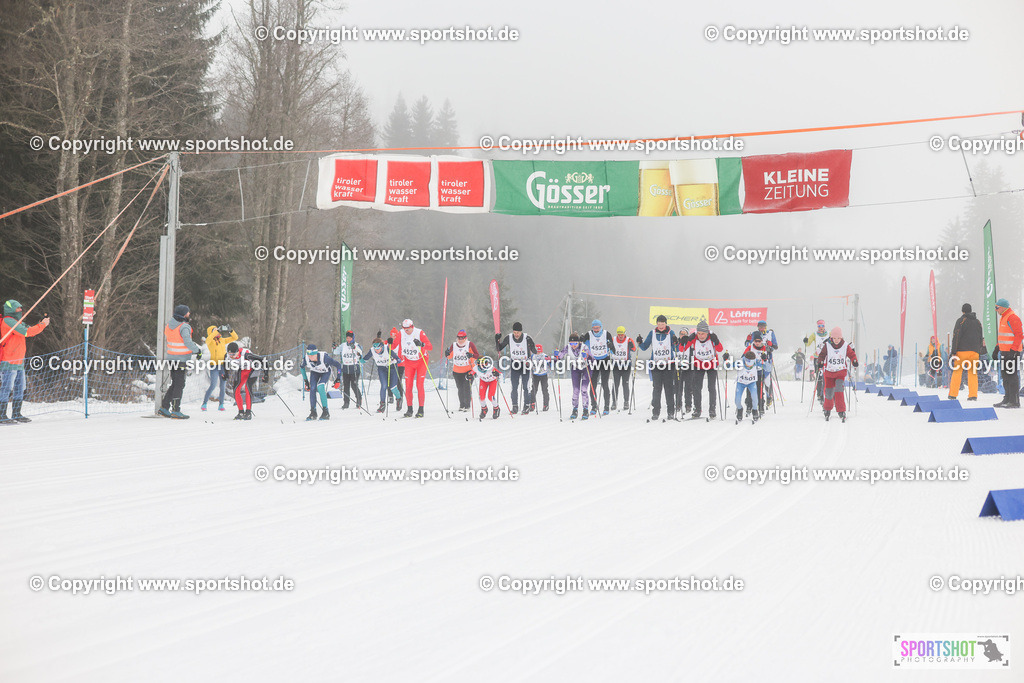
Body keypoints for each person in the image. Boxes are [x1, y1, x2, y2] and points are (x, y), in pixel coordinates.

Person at [0, 300, 49, 424]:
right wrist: (42, 325)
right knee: (6, 388)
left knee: (20, 388)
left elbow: (30, 329)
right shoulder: (8, 321)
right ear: (11, 310)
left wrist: (39, 324)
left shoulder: (17, 322)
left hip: (19, 360)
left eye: (21, 307)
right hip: (9, 360)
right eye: (17, 308)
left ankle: (16, 413)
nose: (20, 310)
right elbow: (27, 332)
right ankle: (1, 415)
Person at [159, 304, 200, 419]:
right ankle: (176, 410)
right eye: (187, 312)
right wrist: (197, 350)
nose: (189, 314)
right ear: (183, 314)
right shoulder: (184, 327)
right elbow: (187, 342)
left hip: (171, 358)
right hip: (181, 359)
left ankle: (164, 407)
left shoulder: (169, 326)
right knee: (179, 384)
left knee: (175, 383)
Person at [636, 315, 677, 421]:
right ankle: (656, 412)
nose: (661, 326)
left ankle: (671, 412)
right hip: (656, 365)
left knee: (669, 389)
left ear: (666, 324)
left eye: (662, 324)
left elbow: (676, 348)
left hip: (669, 365)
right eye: (659, 324)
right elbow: (645, 347)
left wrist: (676, 342)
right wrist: (640, 342)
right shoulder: (652, 333)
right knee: (657, 389)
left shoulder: (671, 333)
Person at [680, 319, 724, 419]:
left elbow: (720, 349)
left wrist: (716, 340)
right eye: (699, 333)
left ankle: (712, 409)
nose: (701, 336)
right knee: (696, 388)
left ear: (707, 333)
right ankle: (697, 409)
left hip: (711, 365)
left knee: (711, 388)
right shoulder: (694, 337)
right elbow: (682, 349)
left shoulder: (712, 337)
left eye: (703, 334)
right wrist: (683, 341)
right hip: (698, 364)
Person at [816, 326, 858, 421]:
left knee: (839, 390)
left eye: (838, 338)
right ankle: (827, 409)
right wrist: (820, 362)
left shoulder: (845, 345)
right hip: (829, 373)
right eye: (834, 338)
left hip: (840, 372)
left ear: (841, 338)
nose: (836, 340)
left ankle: (841, 410)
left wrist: (854, 360)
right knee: (829, 392)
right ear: (831, 338)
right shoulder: (827, 345)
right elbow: (822, 355)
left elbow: (851, 354)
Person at [496, 321, 537, 414]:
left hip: (525, 364)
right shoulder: (509, 337)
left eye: (518, 332)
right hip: (515, 364)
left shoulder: (527, 338)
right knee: (514, 387)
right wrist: (496, 340)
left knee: (525, 387)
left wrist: (531, 346)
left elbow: (534, 350)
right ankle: (515, 406)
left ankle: (526, 406)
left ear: (521, 332)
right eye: (514, 332)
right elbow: (499, 348)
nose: (516, 334)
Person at [394, 319, 432, 418]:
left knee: (419, 385)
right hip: (409, 362)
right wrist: (389, 342)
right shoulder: (401, 333)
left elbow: (430, 346)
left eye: (408, 329)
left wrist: (422, 344)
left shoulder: (419, 332)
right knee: (408, 386)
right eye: (405, 329)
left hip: (421, 361)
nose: (407, 331)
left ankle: (421, 409)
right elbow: (394, 345)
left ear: (412, 326)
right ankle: (409, 409)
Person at [948, 303, 986, 401]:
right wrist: (979, 350)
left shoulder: (961, 321)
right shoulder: (978, 322)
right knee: (972, 373)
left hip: (962, 351)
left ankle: (953, 394)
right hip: (974, 352)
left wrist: (953, 351)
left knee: (957, 372)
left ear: (963, 311)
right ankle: (973, 395)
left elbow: (956, 336)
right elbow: (980, 337)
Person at [555, 332, 591, 420]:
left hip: (586, 368)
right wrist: (557, 356)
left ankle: (585, 409)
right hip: (575, 368)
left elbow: (591, 357)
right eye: (571, 343)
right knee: (576, 390)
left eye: (575, 343)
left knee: (584, 389)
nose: (573, 345)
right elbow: (561, 354)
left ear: (578, 342)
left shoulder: (584, 347)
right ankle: (575, 409)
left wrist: (586, 356)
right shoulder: (568, 347)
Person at [581, 319, 614, 416]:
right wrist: (581, 339)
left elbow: (613, 350)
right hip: (593, 361)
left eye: (597, 328)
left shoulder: (607, 334)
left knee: (604, 384)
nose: (596, 330)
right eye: (594, 328)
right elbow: (581, 345)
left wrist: (611, 346)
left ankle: (606, 406)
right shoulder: (588, 334)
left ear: (601, 327)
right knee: (592, 384)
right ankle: (594, 406)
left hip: (605, 360)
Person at [225, 341, 265, 420]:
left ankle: (248, 412)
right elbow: (225, 365)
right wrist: (225, 374)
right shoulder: (227, 356)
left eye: (233, 354)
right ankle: (241, 412)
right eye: (230, 354)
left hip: (253, 369)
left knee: (247, 387)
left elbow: (262, 360)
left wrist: (266, 375)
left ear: (237, 351)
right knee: (236, 389)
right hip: (243, 369)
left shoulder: (246, 354)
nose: (231, 356)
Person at [994, 298, 1022, 408]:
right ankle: (1007, 398)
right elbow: (1003, 336)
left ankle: (1014, 401)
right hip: (1004, 352)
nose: (996, 310)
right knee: (1005, 376)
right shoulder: (1004, 317)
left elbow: (1019, 335)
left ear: (1003, 307)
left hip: (1012, 353)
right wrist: (997, 348)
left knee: (1012, 377)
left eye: (997, 307)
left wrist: (1014, 350)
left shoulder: (1012, 317)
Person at [300, 344, 341, 420]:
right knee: (312, 388)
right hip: (314, 372)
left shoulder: (324, 358)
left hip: (325, 372)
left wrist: (338, 379)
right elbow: (302, 368)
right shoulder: (306, 358)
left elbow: (338, 365)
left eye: (312, 355)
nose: (310, 357)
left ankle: (326, 412)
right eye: (309, 355)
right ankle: (313, 412)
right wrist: (306, 381)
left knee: (320, 387)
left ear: (316, 353)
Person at [202, 324, 237, 411]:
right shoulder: (210, 341)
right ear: (211, 332)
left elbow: (235, 338)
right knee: (213, 385)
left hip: (223, 366)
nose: (217, 331)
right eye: (214, 330)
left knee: (223, 386)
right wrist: (216, 331)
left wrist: (231, 330)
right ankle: (204, 403)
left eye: (217, 329)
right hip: (214, 365)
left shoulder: (222, 340)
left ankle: (221, 404)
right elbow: (208, 339)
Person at [364, 336, 403, 413]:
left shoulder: (387, 349)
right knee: (384, 386)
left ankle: (399, 399)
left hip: (392, 368)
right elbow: (365, 359)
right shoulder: (372, 350)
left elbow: (398, 358)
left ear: (382, 347)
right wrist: (360, 360)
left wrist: (396, 360)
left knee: (392, 387)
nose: (376, 350)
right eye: (375, 348)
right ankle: (382, 404)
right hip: (382, 369)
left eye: (378, 348)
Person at [445, 329, 480, 412]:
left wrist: (471, 355)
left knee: (467, 387)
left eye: (462, 338)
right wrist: (446, 353)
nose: (460, 340)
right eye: (459, 338)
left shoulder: (470, 344)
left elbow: (477, 355)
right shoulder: (454, 345)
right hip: (457, 371)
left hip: (469, 370)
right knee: (460, 388)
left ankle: (467, 405)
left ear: (465, 338)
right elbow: (449, 356)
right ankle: (462, 405)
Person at [610, 326, 636, 411]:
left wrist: (631, 346)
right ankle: (614, 402)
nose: (620, 336)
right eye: (619, 334)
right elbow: (608, 349)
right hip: (616, 365)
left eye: (622, 334)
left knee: (625, 384)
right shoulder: (613, 339)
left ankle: (626, 402)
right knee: (615, 384)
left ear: (625, 333)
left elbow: (634, 349)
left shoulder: (629, 340)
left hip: (626, 365)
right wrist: (609, 346)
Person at [335, 330, 363, 410]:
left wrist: (354, 348)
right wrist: (334, 347)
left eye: (350, 338)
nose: (348, 339)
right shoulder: (343, 345)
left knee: (354, 385)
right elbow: (336, 351)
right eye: (347, 338)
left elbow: (360, 354)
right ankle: (346, 402)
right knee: (346, 386)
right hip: (346, 368)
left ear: (353, 338)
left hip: (354, 368)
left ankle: (358, 400)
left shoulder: (357, 345)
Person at [743, 332, 770, 415]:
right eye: (756, 341)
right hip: (750, 372)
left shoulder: (764, 348)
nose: (757, 343)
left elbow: (767, 362)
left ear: (761, 341)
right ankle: (749, 405)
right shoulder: (750, 347)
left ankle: (760, 406)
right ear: (753, 341)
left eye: (759, 341)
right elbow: (743, 357)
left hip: (760, 371)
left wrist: (765, 359)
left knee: (759, 389)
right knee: (750, 389)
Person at [802, 320, 828, 401]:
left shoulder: (829, 334)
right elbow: (808, 343)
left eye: (822, 326)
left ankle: (827, 392)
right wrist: (806, 341)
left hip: (827, 357)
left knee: (827, 375)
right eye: (819, 326)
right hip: (817, 357)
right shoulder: (814, 334)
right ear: (817, 327)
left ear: (824, 326)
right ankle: (819, 394)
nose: (821, 328)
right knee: (819, 376)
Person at [734, 351, 760, 423]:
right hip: (741, 383)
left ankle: (754, 410)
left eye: (750, 365)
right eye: (747, 364)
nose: (749, 366)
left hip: (751, 383)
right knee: (737, 400)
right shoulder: (740, 362)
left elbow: (768, 367)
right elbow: (728, 365)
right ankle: (739, 409)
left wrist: (765, 360)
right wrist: (726, 359)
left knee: (755, 398)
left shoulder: (756, 361)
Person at [675, 326, 693, 415]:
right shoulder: (676, 342)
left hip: (688, 367)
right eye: (681, 334)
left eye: (685, 334)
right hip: (678, 367)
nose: (683, 335)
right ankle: (678, 404)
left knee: (688, 388)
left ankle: (688, 405)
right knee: (678, 387)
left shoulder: (690, 343)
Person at [529, 344, 551, 412]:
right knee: (534, 390)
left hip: (543, 375)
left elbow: (550, 364)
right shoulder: (533, 356)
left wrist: (550, 361)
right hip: (535, 375)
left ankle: (546, 405)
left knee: (544, 390)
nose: (538, 353)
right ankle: (532, 404)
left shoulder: (544, 356)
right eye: (537, 351)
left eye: (539, 351)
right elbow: (529, 363)